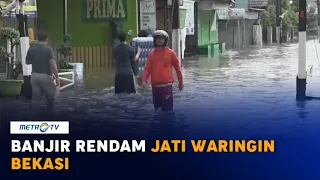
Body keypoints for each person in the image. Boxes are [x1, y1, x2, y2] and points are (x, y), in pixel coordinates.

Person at [141, 30, 184, 111]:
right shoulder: (151, 54)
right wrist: (144, 80)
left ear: (165, 40)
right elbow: (147, 69)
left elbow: (178, 68)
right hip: (155, 87)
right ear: (154, 40)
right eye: (157, 38)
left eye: (161, 39)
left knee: (167, 111)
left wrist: (181, 82)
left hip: (167, 86)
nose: (159, 40)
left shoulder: (171, 53)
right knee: (157, 110)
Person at [26, 34, 59, 110]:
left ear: (37, 39)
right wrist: (57, 77)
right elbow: (53, 63)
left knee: (36, 99)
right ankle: (50, 117)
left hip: (34, 76)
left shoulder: (31, 48)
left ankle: (34, 118)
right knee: (51, 99)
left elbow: (27, 62)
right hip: (46, 76)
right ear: (47, 39)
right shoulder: (48, 49)